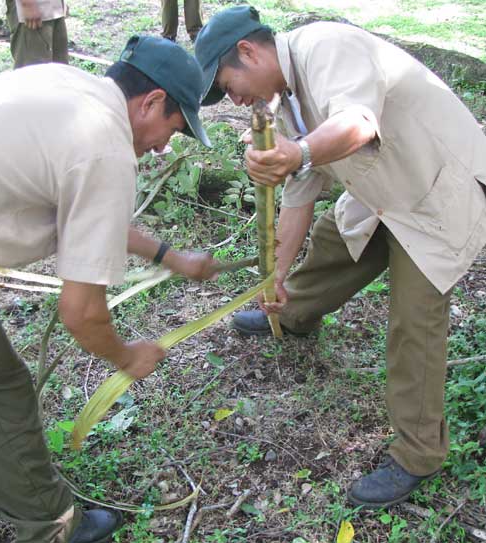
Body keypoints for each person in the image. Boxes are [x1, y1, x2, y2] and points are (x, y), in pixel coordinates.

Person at [195, 5, 486, 509]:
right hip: (384, 192)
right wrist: (275, 275)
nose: (233, 99)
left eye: (227, 84)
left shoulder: (326, 47)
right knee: (335, 242)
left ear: (248, 50)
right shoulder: (282, 97)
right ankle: (293, 312)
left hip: (437, 193)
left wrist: (299, 151)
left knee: (414, 327)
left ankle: (418, 454)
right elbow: (299, 193)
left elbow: (358, 123)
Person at [0, 36, 213, 543]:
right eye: (172, 129)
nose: (163, 146)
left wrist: (171, 257)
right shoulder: (104, 145)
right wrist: (126, 355)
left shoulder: (64, 85)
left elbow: (80, 209)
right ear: (152, 101)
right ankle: (52, 525)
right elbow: (82, 312)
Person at [6, 0, 68, 68]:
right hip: (34, 10)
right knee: (33, 70)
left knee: (59, 69)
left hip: (54, 8)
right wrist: (27, 3)